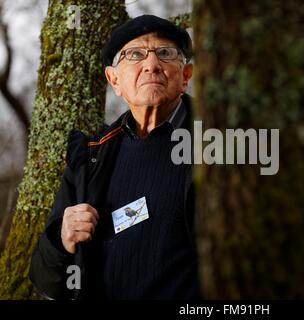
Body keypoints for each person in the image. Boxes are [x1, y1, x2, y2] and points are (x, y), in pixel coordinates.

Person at [29, 14, 199, 300]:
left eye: (165, 53)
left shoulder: (221, 144)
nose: (151, 65)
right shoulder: (91, 156)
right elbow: (47, 281)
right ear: (114, 80)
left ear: (185, 76)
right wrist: (62, 240)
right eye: (134, 55)